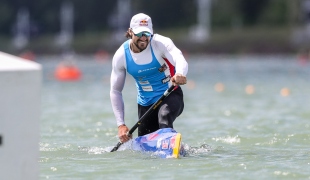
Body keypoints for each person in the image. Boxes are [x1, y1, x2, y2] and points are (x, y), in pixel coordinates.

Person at [110, 13, 188, 143]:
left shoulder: (160, 43)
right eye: (140, 34)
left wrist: (180, 73)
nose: (144, 38)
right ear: (130, 32)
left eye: (147, 34)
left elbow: (178, 57)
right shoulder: (121, 55)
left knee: (165, 115)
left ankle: (168, 146)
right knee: (145, 144)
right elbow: (115, 91)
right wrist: (121, 125)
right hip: (145, 104)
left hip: (170, 94)